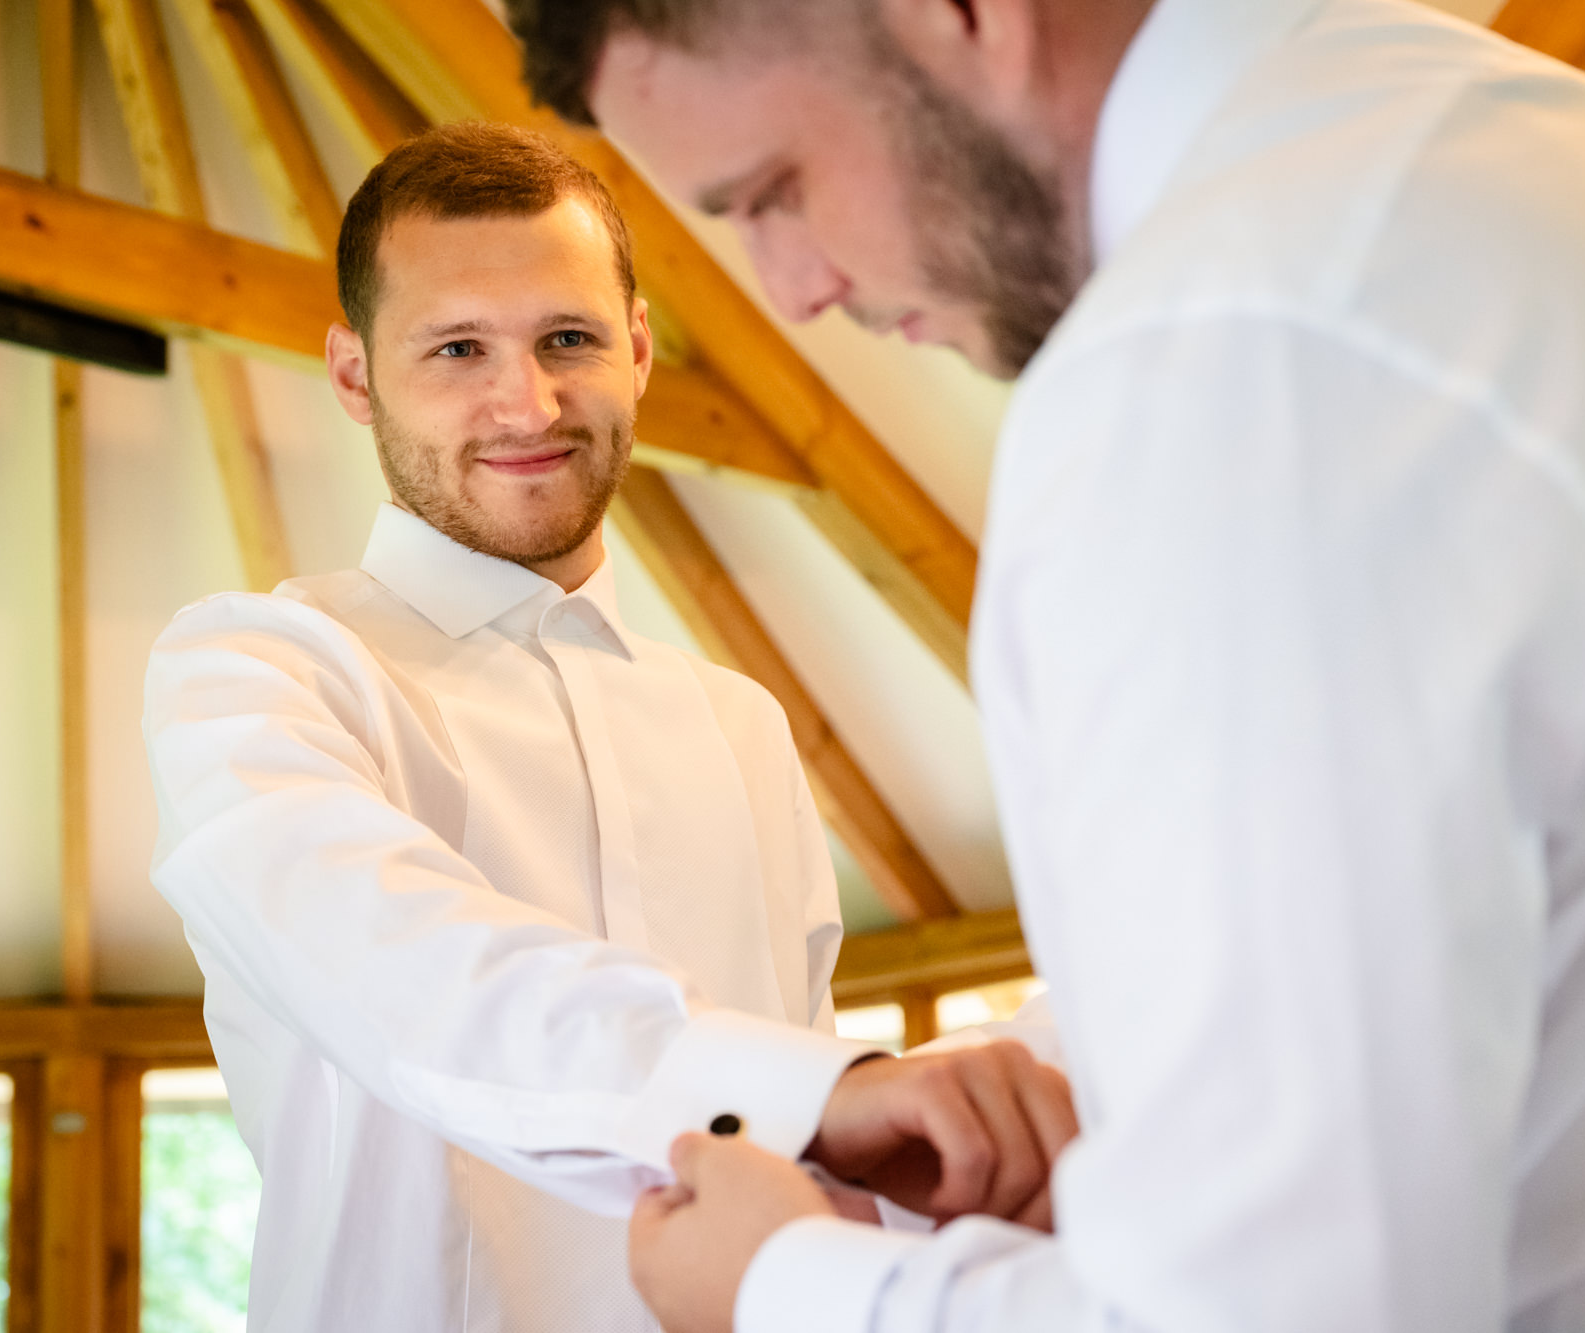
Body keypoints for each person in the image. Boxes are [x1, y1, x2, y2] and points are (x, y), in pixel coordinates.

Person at [506, 1, 1585, 1330]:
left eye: (772, 192)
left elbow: (1274, 1306)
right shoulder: (1561, 144)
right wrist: (1076, 1071)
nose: (794, 292)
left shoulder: (1213, 373)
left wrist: (784, 1287)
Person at [142, 121, 1075, 1332]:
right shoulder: (259, 669)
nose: (523, 400)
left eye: (567, 337)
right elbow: (394, 960)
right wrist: (805, 1094)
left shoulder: (741, 727)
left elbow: (806, 1158)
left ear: (636, 349)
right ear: (355, 375)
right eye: (457, 347)